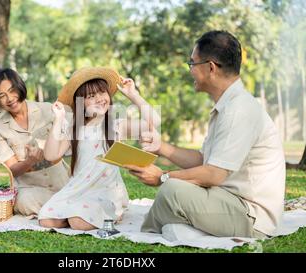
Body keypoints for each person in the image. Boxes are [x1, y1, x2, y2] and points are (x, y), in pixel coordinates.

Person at [125, 30, 286, 238]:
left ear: (210, 67)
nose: (190, 69)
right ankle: (174, 227)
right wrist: (160, 147)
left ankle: (147, 234)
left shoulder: (239, 110)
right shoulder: (228, 105)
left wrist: (161, 177)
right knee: (174, 190)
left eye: (192, 63)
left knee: (172, 189)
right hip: (224, 199)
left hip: (249, 215)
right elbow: (204, 160)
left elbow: (213, 174)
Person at [38, 67, 160, 230]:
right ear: (81, 103)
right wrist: (59, 119)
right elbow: (51, 155)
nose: (100, 99)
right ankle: (78, 213)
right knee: (46, 219)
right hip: (77, 189)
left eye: (102, 92)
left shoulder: (117, 126)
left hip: (105, 191)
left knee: (78, 222)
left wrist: (133, 95)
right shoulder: (75, 129)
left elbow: (155, 121)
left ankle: (100, 212)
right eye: (91, 96)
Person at [0, 68, 70, 217]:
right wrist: (29, 161)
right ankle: (65, 212)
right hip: (32, 190)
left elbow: (68, 143)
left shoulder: (48, 110)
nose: (10, 98)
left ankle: (57, 212)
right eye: (2, 95)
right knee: (23, 202)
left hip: (61, 183)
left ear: (19, 86)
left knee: (74, 192)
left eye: (12, 90)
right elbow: (12, 170)